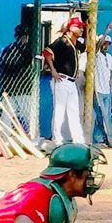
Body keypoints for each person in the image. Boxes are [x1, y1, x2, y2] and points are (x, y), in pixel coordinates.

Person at [43, 16, 86, 145]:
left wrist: (89, 28)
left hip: (72, 81)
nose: (81, 29)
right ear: (71, 28)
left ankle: (78, 139)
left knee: (74, 111)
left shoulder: (75, 43)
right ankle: (57, 138)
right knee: (60, 110)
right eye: (78, 27)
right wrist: (53, 71)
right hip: (62, 79)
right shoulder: (62, 41)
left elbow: (86, 48)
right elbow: (47, 53)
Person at [0, 25, 33, 130]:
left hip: (9, 87)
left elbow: (2, 67)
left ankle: (5, 137)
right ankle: (32, 137)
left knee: (7, 115)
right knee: (28, 116)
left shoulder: (7, 49)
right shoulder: (28, 49)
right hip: (23, 87)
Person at [93, 28, 112, 147]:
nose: (106, 45)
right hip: (98, 89)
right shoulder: (97, 55)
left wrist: (111, 80)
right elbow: (96, 47)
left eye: (108, 44)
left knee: (106, 115)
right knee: (99, 115)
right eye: (104, 43)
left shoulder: (109, 56)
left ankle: (105, 136)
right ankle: (98, 138)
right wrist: (106, 32)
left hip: (107, 90)